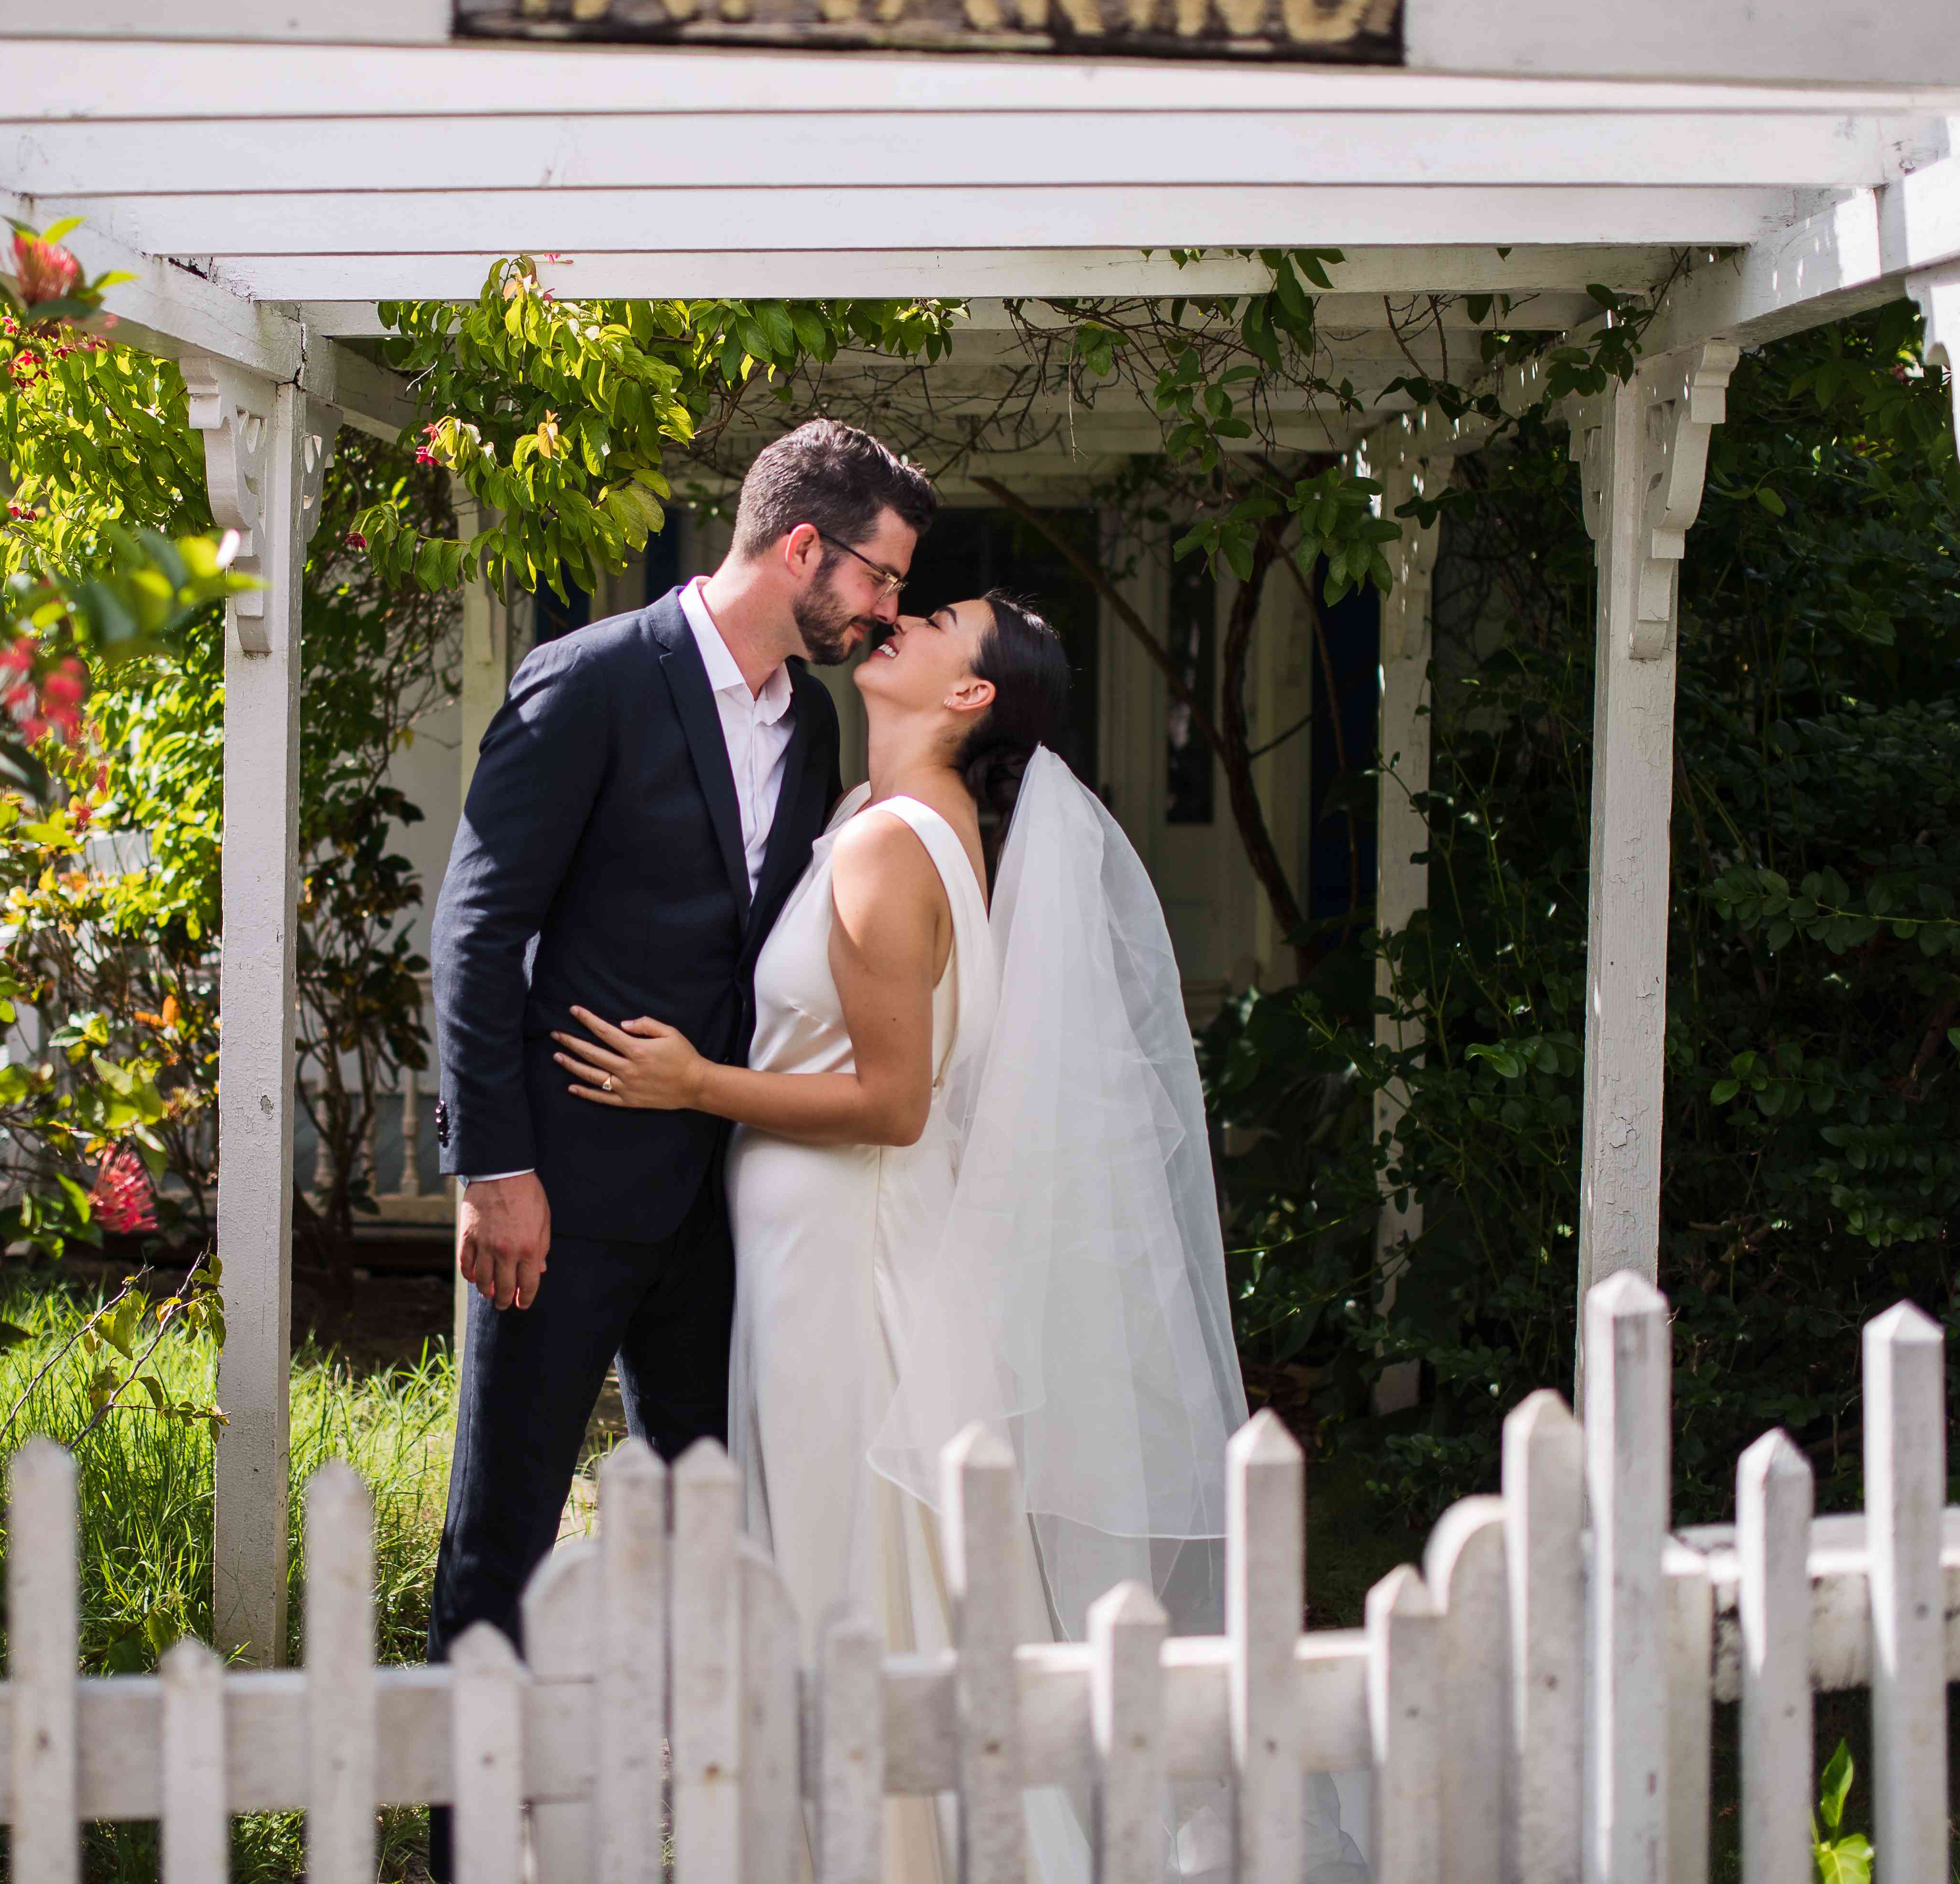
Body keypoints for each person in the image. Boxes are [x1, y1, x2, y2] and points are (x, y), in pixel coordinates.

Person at [556, 595, 1365, 1884]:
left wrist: (694, 1085)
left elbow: (894, 1104)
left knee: (846, 1565)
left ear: (972, 694)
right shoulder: (875, 820)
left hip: (848, 1255)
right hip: (816, 1249)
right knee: (840, 1555)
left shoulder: (892, 847)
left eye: (936, 621)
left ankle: (884, 1855)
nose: (899, 619)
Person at [424, 417, 938, 1835]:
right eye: (882, 577)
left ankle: (711, 1828)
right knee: (504, 1537)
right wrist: (496, 1168)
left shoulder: (812, 725)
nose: (887, 609)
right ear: (802, 548)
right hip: (559, 1198)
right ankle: (472, 1851)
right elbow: (476, 933)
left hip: (723, 1211)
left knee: (722, 1535)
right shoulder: (590, 680)